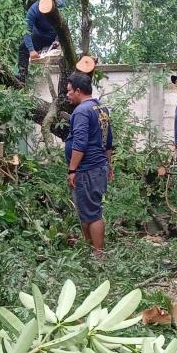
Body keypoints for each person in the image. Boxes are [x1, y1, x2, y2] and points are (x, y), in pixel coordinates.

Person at [66, 71, 113, 251]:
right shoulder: (101, 109)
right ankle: (90, 251)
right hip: (99, 167)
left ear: (78, 91)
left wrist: (72, 170)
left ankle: (98, 255)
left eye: (69, 90)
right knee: (88, 211)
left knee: (92, 214)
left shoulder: (81, 111)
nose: (67, 94)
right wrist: (108, 164)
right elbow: (108, 141)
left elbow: (80, 143)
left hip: (87, 170)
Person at [18, 0, 63, 83]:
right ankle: (22, 77)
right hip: (39, 36)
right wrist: (31, 50)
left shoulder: (60, 6)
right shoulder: (33, 10)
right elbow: (27, 31)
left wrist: (58, 40)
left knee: (64, 57)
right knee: (23, 48)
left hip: (55, 37)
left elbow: (64, 27)